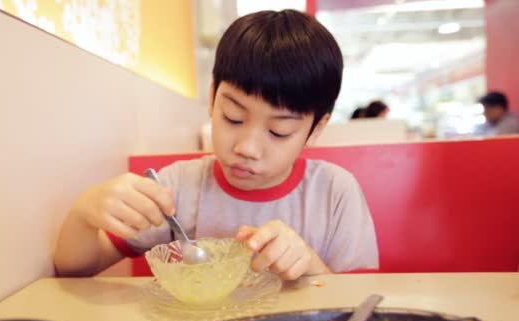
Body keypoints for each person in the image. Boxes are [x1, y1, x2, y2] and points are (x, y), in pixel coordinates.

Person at [54, 10, 379, 280]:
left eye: (279, 132)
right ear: (212, 98)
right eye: (233, 118)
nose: (247, 147)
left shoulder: (335, 192)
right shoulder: (178, 186)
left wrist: (311, 267)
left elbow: (362, 305)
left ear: (316, 128)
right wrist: (84, 215)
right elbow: (74, 269)